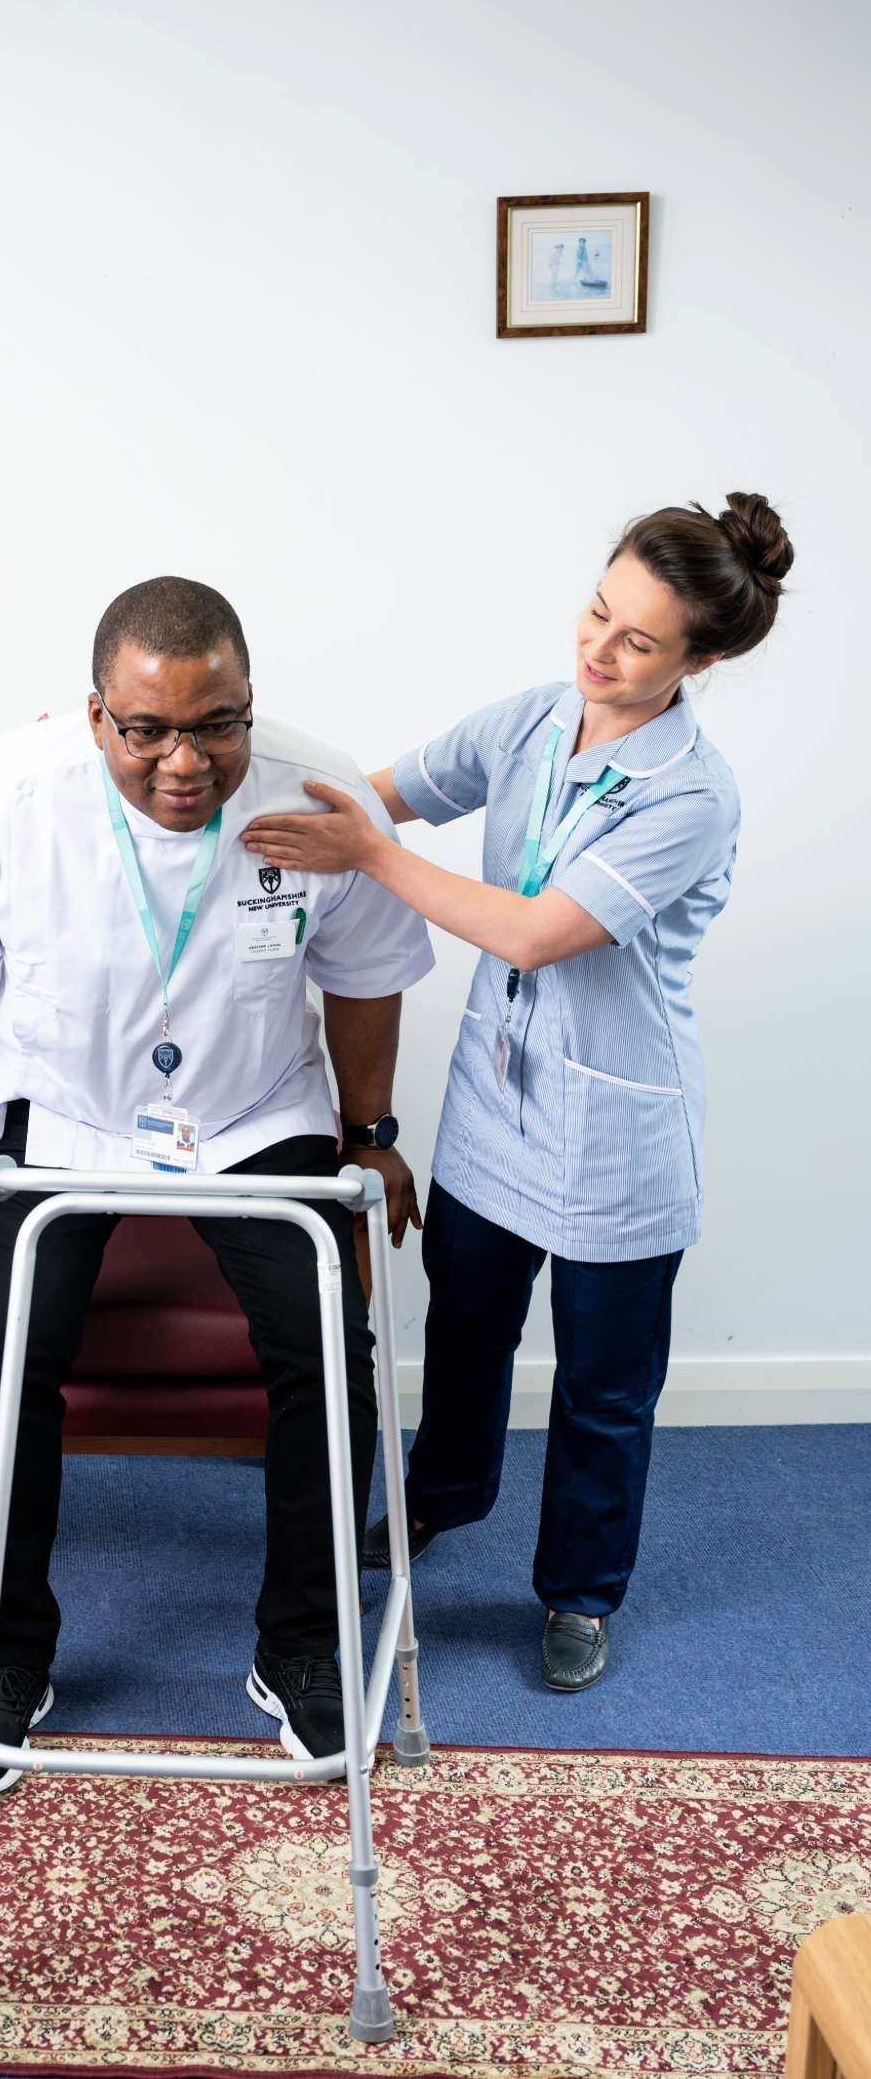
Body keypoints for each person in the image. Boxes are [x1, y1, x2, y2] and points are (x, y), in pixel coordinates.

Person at [0, 576, 434, 1791]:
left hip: (252, 1107)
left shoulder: (316, 793)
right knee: (2, 1354)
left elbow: (365, 971)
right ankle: (9, 1653)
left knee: (328, 1357)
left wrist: (370, 1130)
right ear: (95, 718)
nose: (185, 762)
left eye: (217, 725)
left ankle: (298, 1651)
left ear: (249, 706)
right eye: (148, 731)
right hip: (61, 1106)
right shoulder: (4, 800)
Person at [243, 495, 793, 1692]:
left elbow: (541, 932)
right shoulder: (534, 721)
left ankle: (580, 1592)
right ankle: (443, 1499)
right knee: (467, 1327)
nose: (599, 649)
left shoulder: (692, 794)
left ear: (698, 660)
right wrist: (228, 772)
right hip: (498, 1107)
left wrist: (375, 862)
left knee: (604, 1386)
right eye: (599, 611)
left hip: (618, 1129)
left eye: (638, 642)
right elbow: (374, 790)